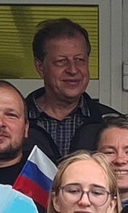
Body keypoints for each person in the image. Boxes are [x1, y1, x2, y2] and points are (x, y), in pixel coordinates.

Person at [25, 17, 118, 160]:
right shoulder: (11, 122)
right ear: (40, 67)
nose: (73, 70)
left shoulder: (111, 122)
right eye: (61, 61)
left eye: (79, 60)